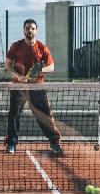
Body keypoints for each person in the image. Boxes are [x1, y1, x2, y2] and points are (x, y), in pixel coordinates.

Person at [4, 18, 63, 156]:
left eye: (32, 28)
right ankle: (11, 144)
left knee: (45, 116)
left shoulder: (42, 47)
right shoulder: (15, 46)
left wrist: (40, 71)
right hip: (18, 87)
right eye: (27, 28)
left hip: (37, 87)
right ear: (23, 30)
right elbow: (7, 65)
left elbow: (52, 66)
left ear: (36, 30)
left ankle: (54, 143)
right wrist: (18, 76)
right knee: (13, 115)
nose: (30, 30)